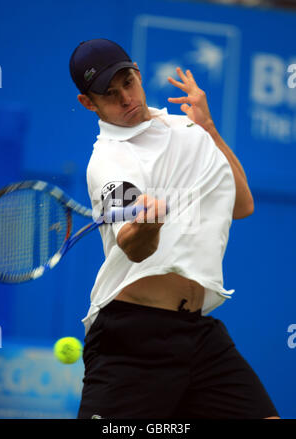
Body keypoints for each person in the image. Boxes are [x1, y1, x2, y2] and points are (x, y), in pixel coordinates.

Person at [69, 38, 279, 419]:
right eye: (111, 95)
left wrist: (209, 129)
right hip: (132, 339)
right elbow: (134, 248)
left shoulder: (185, 128)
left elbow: (242, 205)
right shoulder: (109, 162)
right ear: (89, 103)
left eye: (128, 83)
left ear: (137, 73)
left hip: (196, 333)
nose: (126, 99)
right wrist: (150, 223)